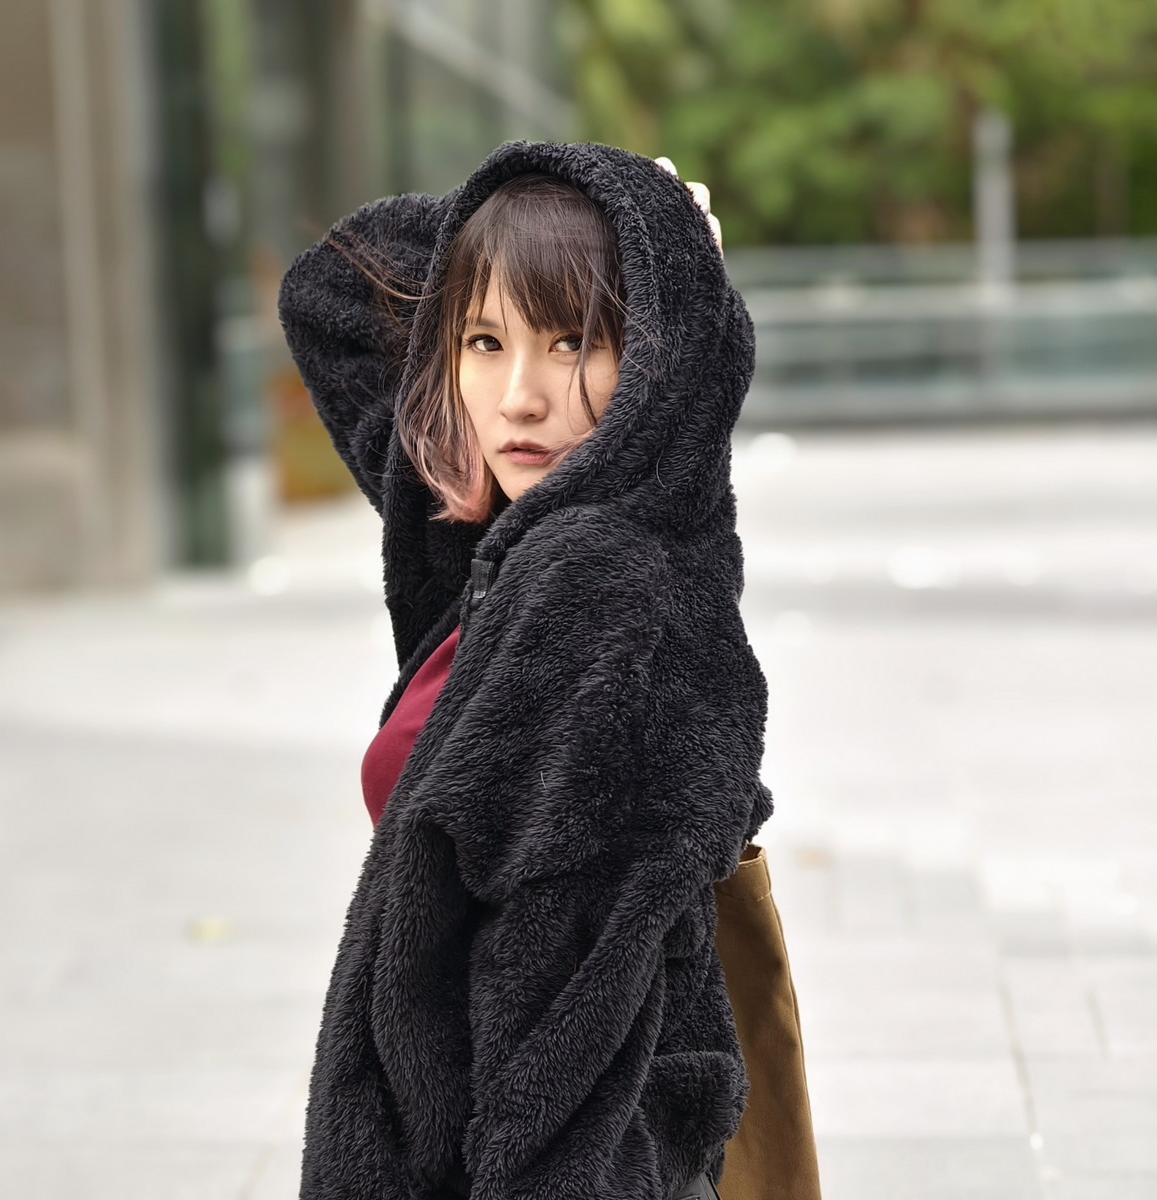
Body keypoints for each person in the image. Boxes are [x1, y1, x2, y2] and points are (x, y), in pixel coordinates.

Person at [278, 140, 771, 1200]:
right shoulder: (499, 539)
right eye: (484, 341)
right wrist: (628, 217)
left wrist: (662, 252)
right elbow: (331, 292)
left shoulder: (595, 581)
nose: (518, 399)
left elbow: (557, 1016)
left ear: (655, 358)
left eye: (573, 343)